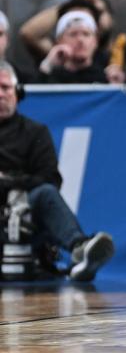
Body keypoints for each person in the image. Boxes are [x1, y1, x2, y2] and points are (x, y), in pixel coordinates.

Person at [0, 61, 115, 280]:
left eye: (5, 88)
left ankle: (80, 250)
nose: (1, 95)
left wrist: (9, 181)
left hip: (26, 209)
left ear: (17, 92)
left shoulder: (35, 132)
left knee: (46, 193)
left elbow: (49, 178)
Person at [36, 10, 125, 84]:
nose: (80, 40)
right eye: (73, 34)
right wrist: (47, 65)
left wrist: (116, 87)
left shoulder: (106, 78)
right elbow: (30, 100)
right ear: (59, 41)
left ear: (96, 41)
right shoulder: (51, 77)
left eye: (86, 34)